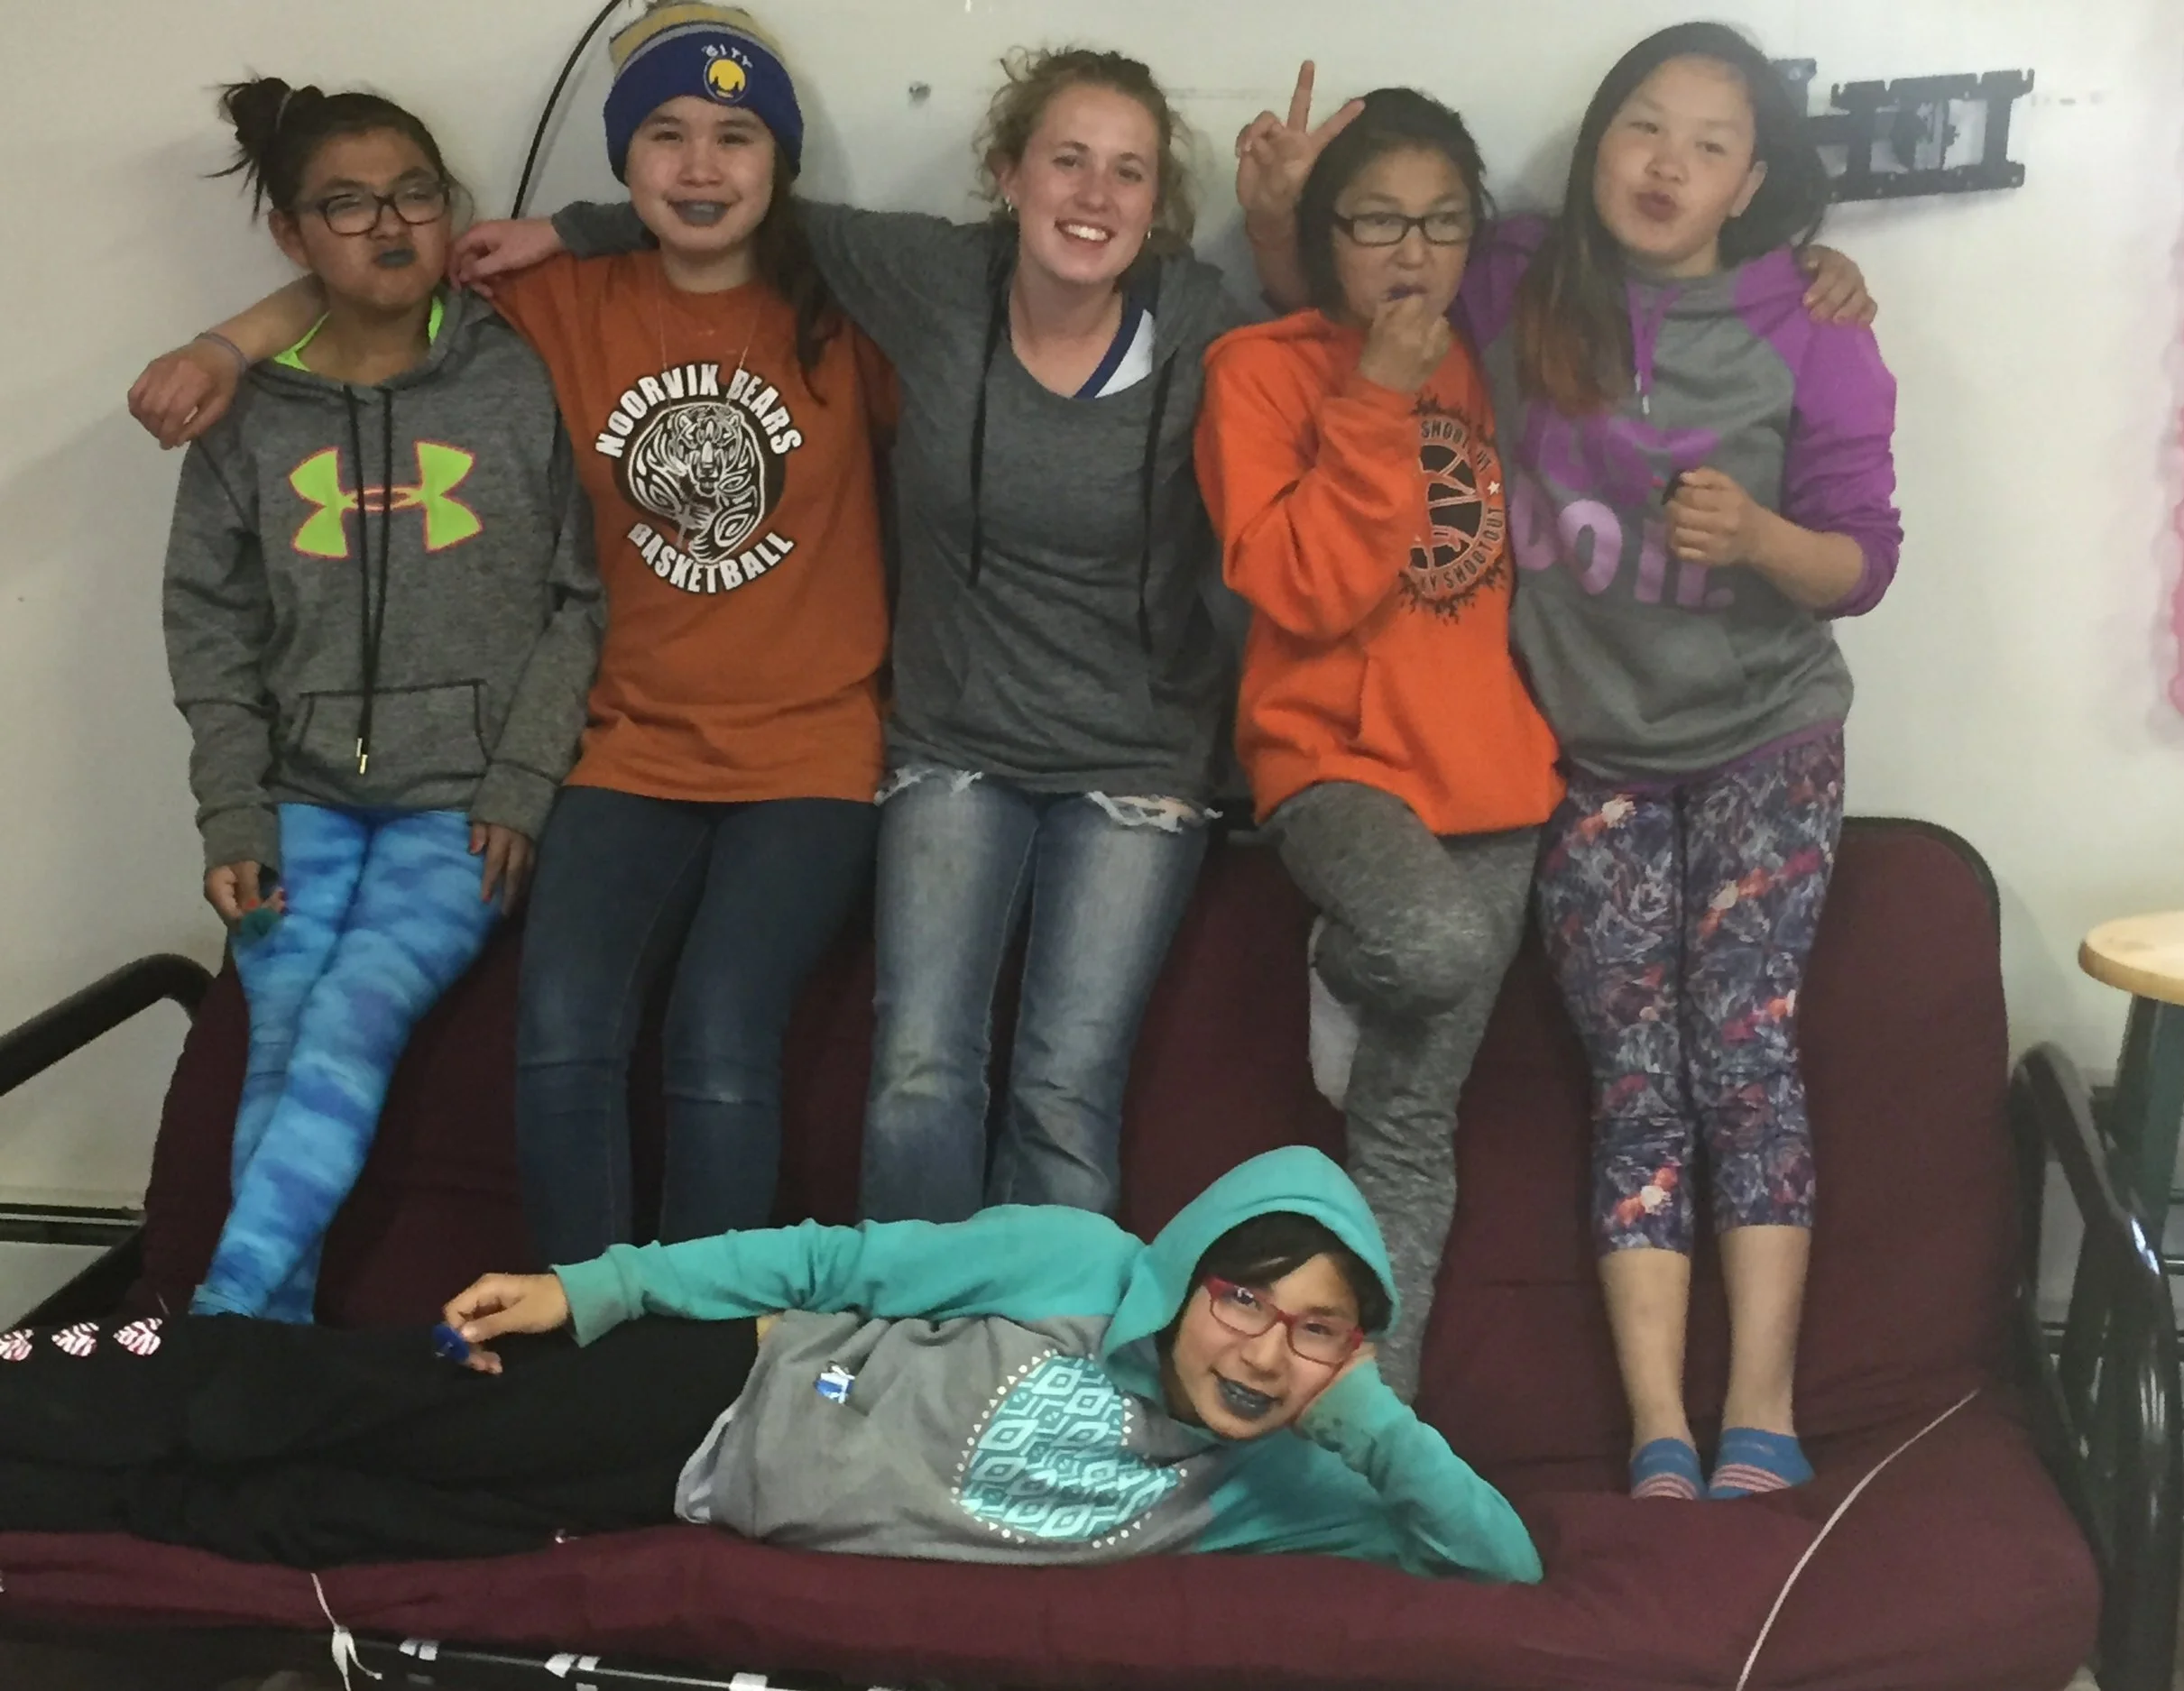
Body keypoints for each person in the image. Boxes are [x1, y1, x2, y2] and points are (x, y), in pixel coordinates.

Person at [451, 38, 1335, 1226]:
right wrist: (571, 226)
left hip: (1137, 757)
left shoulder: (1196, 322)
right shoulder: (932, 279)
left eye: (1127, 171)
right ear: (1008, 173)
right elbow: (733, 202)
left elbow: (1324, 359)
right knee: (919, 1070)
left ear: (1156, 203)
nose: (1093, 193)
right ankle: (900, 1327)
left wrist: (1279, 231)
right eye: (1067, 159)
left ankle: (1033, 1331)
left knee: (1065, 1088)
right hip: (953, 743)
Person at [131, 5, 896, 1264]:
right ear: (622, 156)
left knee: (719, 1031)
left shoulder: (854, 311)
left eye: (735, 134)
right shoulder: (549, 307)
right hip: (623, 746)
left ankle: (694, 1344)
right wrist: (227, 344)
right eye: (665, 134)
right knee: (564, 1027)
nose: (700, 166)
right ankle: (578, 1327)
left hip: (812, 752)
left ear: (783, 157)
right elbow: (372, 284)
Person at [1249, 31, 1900, 1500]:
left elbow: (1863, 559)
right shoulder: (1516, 276)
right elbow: (1353, 310)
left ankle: (1763, 1414)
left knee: (1746, 1056)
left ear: (1752, 179)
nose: (1668, 166)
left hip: (1765, 739)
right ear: (1598, 139)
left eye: (1711, 144)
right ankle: (1660, 1429)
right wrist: (1284, 221)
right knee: (1637, 1081)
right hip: (1586, 756)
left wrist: (1763, 539)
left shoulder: (1812, 322)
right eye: (1643, 128)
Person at [0, 1148, 1543, 1584]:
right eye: (1244, 1300)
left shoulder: (1279, 1483)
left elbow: (1504, 1561)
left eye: (1315, 1328)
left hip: (682, 1496)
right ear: (1192, 1269)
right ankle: (51, 1375)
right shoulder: (1076, 1262)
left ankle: (59, 1490)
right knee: (334, 1401)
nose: (1262, 1350)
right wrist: (597, 1288)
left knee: (330, 1514)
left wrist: (1360, 1411)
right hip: (712, 1387)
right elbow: (827, 1258)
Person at [157, 78, 602, 1321]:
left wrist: (522, 781)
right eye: (347, 206)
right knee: (280, 1038)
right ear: (293, 236)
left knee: (351, 1021)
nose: (390, 225)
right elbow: (209, 626)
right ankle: (262, 1341)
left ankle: (225, 1326)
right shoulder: (247, 415)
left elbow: (584, 597)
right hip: (296, 795)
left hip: (461, 805)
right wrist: (230, 811)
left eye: (415, 194)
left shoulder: (521, 373)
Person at [1194, 91, 1562, 1402]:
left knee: (1408, 1127)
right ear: (1327, 234)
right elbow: (1305, 587)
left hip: (1493, 778)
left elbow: (1645, 266)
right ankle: (1342, 962)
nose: (1413, 254)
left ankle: (1374, 1422)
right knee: (1431, 949)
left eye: (1443, 224)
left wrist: (1814, 259)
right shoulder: (1257, 372)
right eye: (1378, 223)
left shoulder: (1487, 356)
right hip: (1332, 764)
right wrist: (1379, 398)